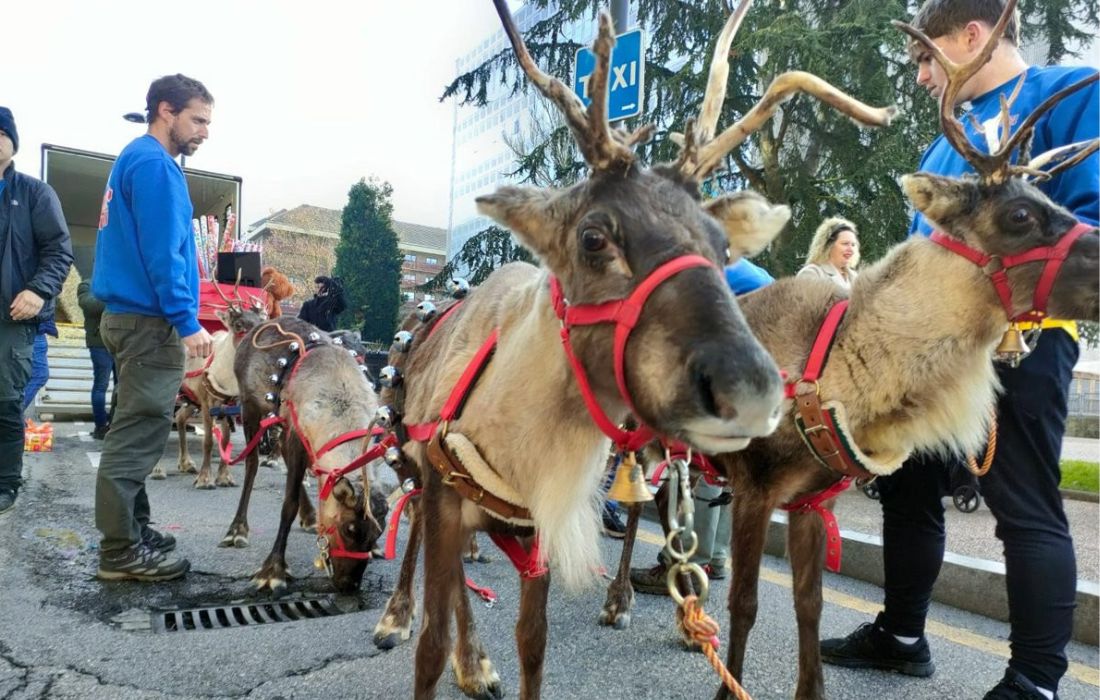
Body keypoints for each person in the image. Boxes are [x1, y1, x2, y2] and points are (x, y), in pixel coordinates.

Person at [819, 3, 1099, 699]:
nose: (919, 76)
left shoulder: (1072, 94)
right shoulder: (943, 149)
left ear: (974, 36)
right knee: (906, 489)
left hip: (1020, 345)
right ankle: (902, 637)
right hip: (930, 360)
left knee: (1024, 503)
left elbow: (1089, 229)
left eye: (926, 56)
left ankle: (1035, 681)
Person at [91, 74, 216, 581]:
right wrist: (188, 323)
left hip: (128, 318)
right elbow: (163, 255)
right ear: (166, 110)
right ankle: (120, 550)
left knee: (134, 430)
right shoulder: (157, 167)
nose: (205, 132)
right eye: (198, 119)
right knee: (137, 435)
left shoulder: (132, 158)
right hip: (148, 323)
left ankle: (133, 530)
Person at [630, 259, 774, 590]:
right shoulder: (741, 265)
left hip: (732, 362)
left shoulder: (696, 261)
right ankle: (716, 557)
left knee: (703, 465)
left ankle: (687, 566)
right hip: (754, 366)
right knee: (728, 466)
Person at [0, 106, 73, 516]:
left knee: (6, 401)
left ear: (13, 141)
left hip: (12, 317)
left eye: (1, 132)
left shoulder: (33, 193)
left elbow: (58, 251)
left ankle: (6, 481)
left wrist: (37, 291)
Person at [78, 280, 115, 440]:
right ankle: (101, 426)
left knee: (123, 386)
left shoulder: (119, 280)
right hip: (99, 342)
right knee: (101, 384)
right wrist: (115, 297)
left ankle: (115, 424)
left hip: (121, 341)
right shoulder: (87, 285)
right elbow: (90, 306)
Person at [796, 217, 860, 290]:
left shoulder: (855, 277)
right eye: (845, 243)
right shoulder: (811, 273)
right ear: (829, 245)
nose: (851, 249)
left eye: (853, 245)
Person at [22, 316, 58, 417]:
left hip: (35, 328)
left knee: (33, 374)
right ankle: (12, 416)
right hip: (30, 328)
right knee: (40, 374)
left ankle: (13, 416)